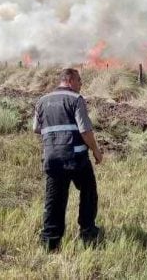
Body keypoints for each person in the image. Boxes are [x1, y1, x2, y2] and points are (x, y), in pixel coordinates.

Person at [33, 68, 103, 251]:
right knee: (89, 193)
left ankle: (50, 242)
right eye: (79, 80)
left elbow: (36, 128)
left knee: (54, 200)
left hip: (52, 158)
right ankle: (88, 234)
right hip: (76, 158)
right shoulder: (76, 99)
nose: (81, 84)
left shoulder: (42, 101)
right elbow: (85, 130)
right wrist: (96, 150)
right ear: (70, 80)